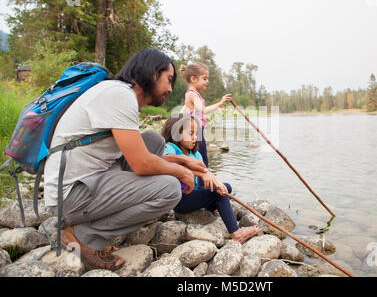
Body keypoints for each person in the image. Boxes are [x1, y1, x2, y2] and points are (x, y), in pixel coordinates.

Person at [43, 49, 207, 271]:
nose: (170, 89)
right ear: (152, 73)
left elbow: (140, 153)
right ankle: (82, 236)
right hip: (72, 195)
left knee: (152, 140)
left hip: (88, 181)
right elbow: (141, 163)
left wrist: (184, 162)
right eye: (168, 80)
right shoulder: (120, 96)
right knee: (169, 189)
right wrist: (180, 172)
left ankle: (113, 212)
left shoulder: (118, 92)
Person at [160, 113, 262, 243]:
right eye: (190, 134)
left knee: (225, 188)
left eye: (196, 134)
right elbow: (164, 159)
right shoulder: (171, 147)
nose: (195, 138)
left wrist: (216, 183)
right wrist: (188, 162)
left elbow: (205, 177)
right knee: (218, 195)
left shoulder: (196, 154)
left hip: (194, 194)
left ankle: (213, 207)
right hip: (180, 199)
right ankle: (236, 233)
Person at [179, 62, 232, 168]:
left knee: (197, 156)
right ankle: (203, 184)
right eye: (204, 78)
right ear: (194, 79)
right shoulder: (193, 94)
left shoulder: (190, 93)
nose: (207, 81)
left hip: (195, 130)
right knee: (203, 159)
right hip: (196, 131)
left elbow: (184, 110)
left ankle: (198, 181)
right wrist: (220, 104)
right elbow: (202, 110)